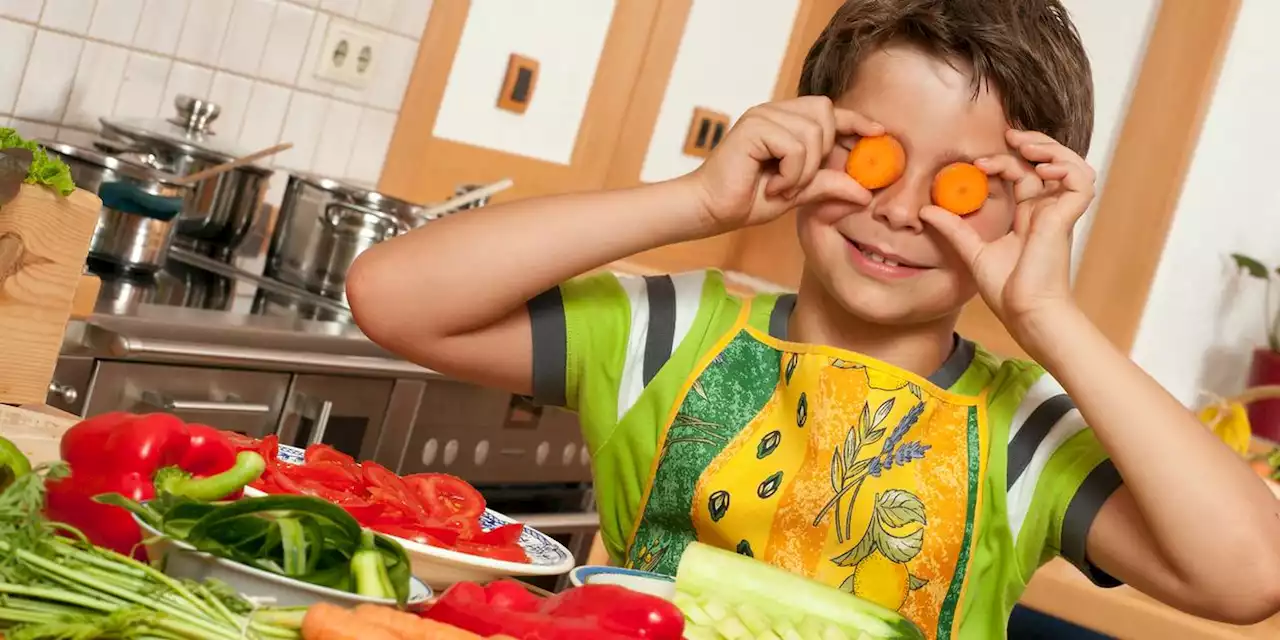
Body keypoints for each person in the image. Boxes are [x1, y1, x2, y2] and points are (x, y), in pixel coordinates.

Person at [346, 0, 1280, 636]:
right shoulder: (670, 330)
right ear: (807, 138)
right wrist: (695, 203)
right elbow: (389, 298)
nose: (903, 210)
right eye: (872, 156)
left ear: (1025, 208)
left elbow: (1250, 576)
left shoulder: (1025, 432)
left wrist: (1046, 313)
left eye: (962, 186)